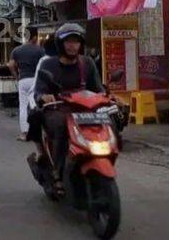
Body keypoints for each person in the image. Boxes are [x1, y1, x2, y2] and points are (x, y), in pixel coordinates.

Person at [29, 23, 104, 192]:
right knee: (61, 126)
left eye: (76, 42)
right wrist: (44, 97)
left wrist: (111, 98)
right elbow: (39, 91)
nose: (72, 46)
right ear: (60, 44)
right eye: (68, 42)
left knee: (108, 120)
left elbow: (98, 89)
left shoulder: (88, 63)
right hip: (58, 109)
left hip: (83, 110)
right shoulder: (48, 65)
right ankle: (57, 171)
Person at [8, 27, 45, 142]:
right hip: (36, 80)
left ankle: (24, 133)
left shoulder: (17, 50)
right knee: (35, 106)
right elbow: (45, 64)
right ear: (34, 37)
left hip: (23, 80)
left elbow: (10, 65)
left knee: (23, 106)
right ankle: (37, 133)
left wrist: (16, 76)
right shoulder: (40, 50)